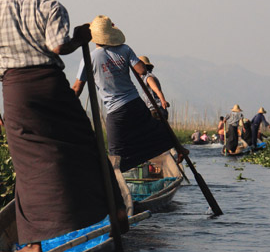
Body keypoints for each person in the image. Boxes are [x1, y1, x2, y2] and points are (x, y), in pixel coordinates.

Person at [0, 0, 127, 252]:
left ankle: (33, 243)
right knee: (86, 145)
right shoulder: (51, 7)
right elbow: (58, 47)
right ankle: (116, 209)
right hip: (50, 86)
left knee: (28, 164)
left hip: (16, 92)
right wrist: (80, 38)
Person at [72, 15, 187, 172]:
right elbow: (142, 70)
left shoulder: (89, 58)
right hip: (135, 103)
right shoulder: (124, 49)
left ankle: (114, 189)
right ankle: (179, 149)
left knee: (115, 153)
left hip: (116, 111)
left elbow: (77, 88)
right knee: (157, 131)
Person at [137, 55, 170, 120]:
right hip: (153, 109)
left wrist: (163, 100)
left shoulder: (148, 77)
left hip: (156, 109)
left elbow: (157, 90)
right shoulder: (144, 78)